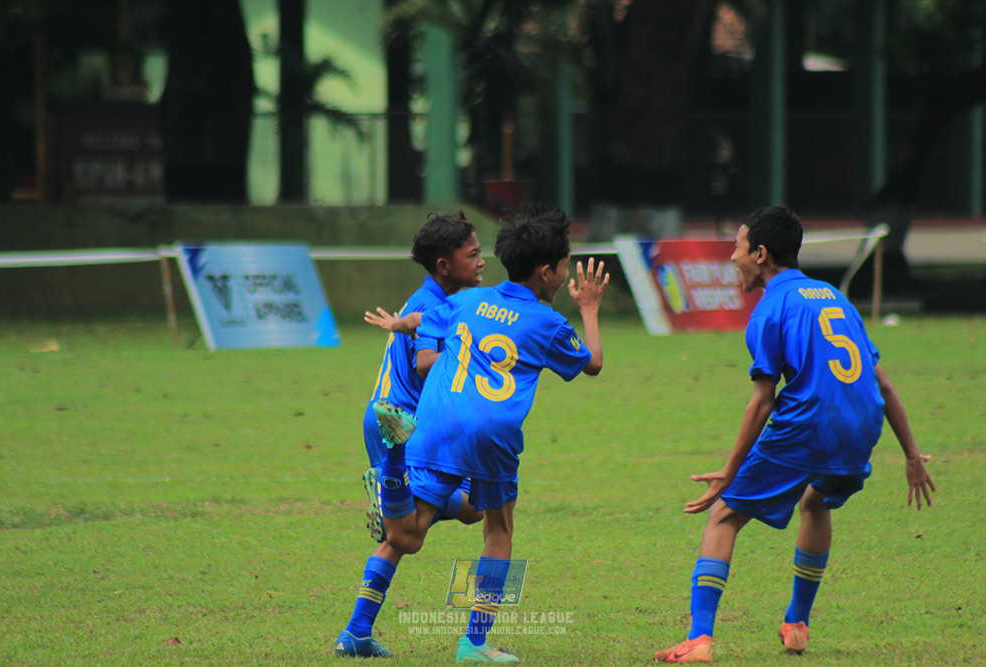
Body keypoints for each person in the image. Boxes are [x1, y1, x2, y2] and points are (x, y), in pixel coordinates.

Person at [653, 206, 936, 664]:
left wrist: (728, 471)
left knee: (724, 514)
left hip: (810, 423)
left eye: (738, 248)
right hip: (863, 425)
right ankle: (797, 623)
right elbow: (883, 382)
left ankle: (700, 639)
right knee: (816, 500)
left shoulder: (771, 307)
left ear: (761, 253)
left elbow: (763, 400)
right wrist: (910, 454)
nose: (732, 258)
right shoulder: (833, 296)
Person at [373, 203, 609, 664]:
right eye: (564, 265)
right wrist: (589, 308)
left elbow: (425, 321)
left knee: (409, 536)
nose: (566, 273)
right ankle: (474, 642)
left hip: (435, 420)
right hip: (492, 432)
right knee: (499, 529)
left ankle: (393, 467)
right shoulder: (550, 323)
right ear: (546, 272)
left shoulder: (464, 300)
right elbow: (593, 363)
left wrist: (400, 323)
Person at [336, 211, 486, 658]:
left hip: (389, 416)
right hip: (405, 425)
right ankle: (395, 484)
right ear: (445, 264)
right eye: (473, 254)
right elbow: (424, 362)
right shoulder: (436, 304)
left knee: (464, 512)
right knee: (413, 535)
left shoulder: (435, 296)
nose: (482, 262)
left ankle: (357, 633)